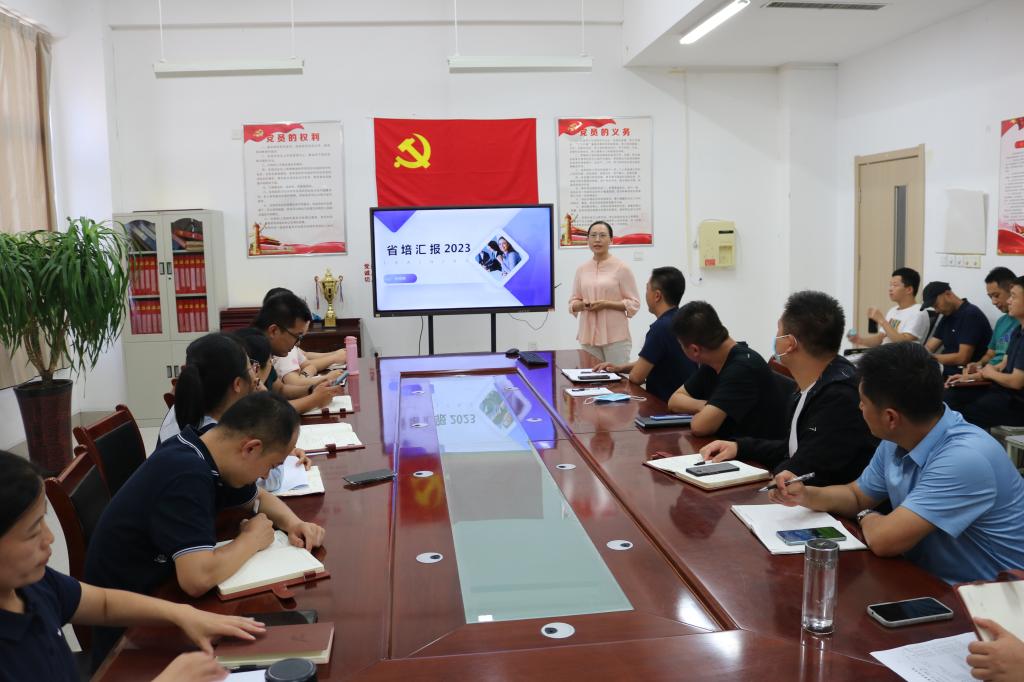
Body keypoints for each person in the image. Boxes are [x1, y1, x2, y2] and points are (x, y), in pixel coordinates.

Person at [85, 392, 326, 667]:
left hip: (165, 599)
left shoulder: (211, 446)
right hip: (133, 635)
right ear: (250, 448)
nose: (264, 476)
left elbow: (258, 497)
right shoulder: (186, 474)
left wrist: (294, 523)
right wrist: (250, 539)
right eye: (271, 466)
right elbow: (196, 579)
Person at [769, 342, 1024, 585]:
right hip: (930, 582)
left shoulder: (965, 459)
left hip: (992, 598)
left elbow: (884, 541)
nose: (859, 407)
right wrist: (805, 494)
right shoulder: (900, 437)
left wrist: (866, 515)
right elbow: (856, 495)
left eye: (863, 402)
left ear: (891, 417)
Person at [0, 450, 264, 681]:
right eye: (33, 531)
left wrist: (183, 614)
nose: (49, 537)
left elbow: (104, 603)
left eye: (44, 520)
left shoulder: (36, 584)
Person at [700, 291, 876, 486]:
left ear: (790, 344)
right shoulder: (812, 381)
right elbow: (795, 448)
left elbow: (805, 468)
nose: (775, 337)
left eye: (778, 330)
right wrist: (739, 447)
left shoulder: (839, 397)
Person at [158, 332, 310, 491]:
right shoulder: (213, 435)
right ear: (237, 384)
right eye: (251, 367)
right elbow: (269, 481)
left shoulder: (190, 405)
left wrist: (282, 453)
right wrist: (277, 453)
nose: (255, 375)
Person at [666, 301, 787, 439]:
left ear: (695, 350)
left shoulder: (742, 368)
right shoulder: (714, 360)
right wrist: (705, 406)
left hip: (755, 451)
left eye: (681, 345)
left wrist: (707, 410)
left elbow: (700, 427)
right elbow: (674, 400)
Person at [592, 266, 696, 402]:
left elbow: (637, 377)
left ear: (657, 296)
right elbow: (651, 361)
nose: (645, 294)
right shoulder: (684, 321)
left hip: (664, 406)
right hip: (686, 402)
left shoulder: (660, 328)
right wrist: (619, 368)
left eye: (647, 289)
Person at [943, 276, 1024, 430]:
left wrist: (990, 373)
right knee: (950, 395)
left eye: (1013, 296)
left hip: (1018, 402)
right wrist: (969, 378)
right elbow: (1002, 365)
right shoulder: (1017, 331)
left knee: (964, 412)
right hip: (1003, 391)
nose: (1009, 301)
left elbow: (1016, 381)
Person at [253, 291, 343, 413]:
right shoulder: (251, 353)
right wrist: (315, 399)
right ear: (274, 331)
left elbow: (280, 390)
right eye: (297, 336)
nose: (298, 343)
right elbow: (268, 411)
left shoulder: (266, 348)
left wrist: (312, 389)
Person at [568, 221, 641, 366]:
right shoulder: (581, 270)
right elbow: (573, 302)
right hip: (588, 336)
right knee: (591, 377)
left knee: (617, 377)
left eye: (602, 235)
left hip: (615, 337)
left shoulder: (622, 268)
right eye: (593, 235)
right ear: (587, 240)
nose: (597, 240)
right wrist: (582, 305)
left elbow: (634, 303)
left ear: (611, 240)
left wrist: (607, 304)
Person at [262, 288, 346, 385]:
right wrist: (327, 375)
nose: (298, 343)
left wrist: (336, 354)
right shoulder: (282, 351)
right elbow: (294, 384)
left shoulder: (285, 342)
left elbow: (307, 360)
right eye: (298, 335)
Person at [922, 281, 992, 376]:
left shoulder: (970, 315)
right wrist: (918, 355)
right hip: (944, 369)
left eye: (936, 305)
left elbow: (962, 358)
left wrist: (929, 358)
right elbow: (929, 347)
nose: (937, 311)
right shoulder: (947, 316)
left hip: (961, 373)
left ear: (948, 294)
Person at [849, 267, 930, 346]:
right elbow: (880, 339)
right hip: (884, 352)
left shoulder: (918, 312)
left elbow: (903, 343)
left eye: (895, 285)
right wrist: (860, 341)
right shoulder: (893, 310)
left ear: (909, 290)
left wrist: (882, 320)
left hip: (901, 355)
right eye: (890, 285)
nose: (890, 289)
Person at [964, 266, 1019, 373]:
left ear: (1012, 290)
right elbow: (990, 354)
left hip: (1001, 374)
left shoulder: (1020, 322)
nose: (993, 302)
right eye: (990, 297)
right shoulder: (1001, 321)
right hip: (989, 372)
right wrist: (978, 364)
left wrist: (982, 374)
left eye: (996, 295)